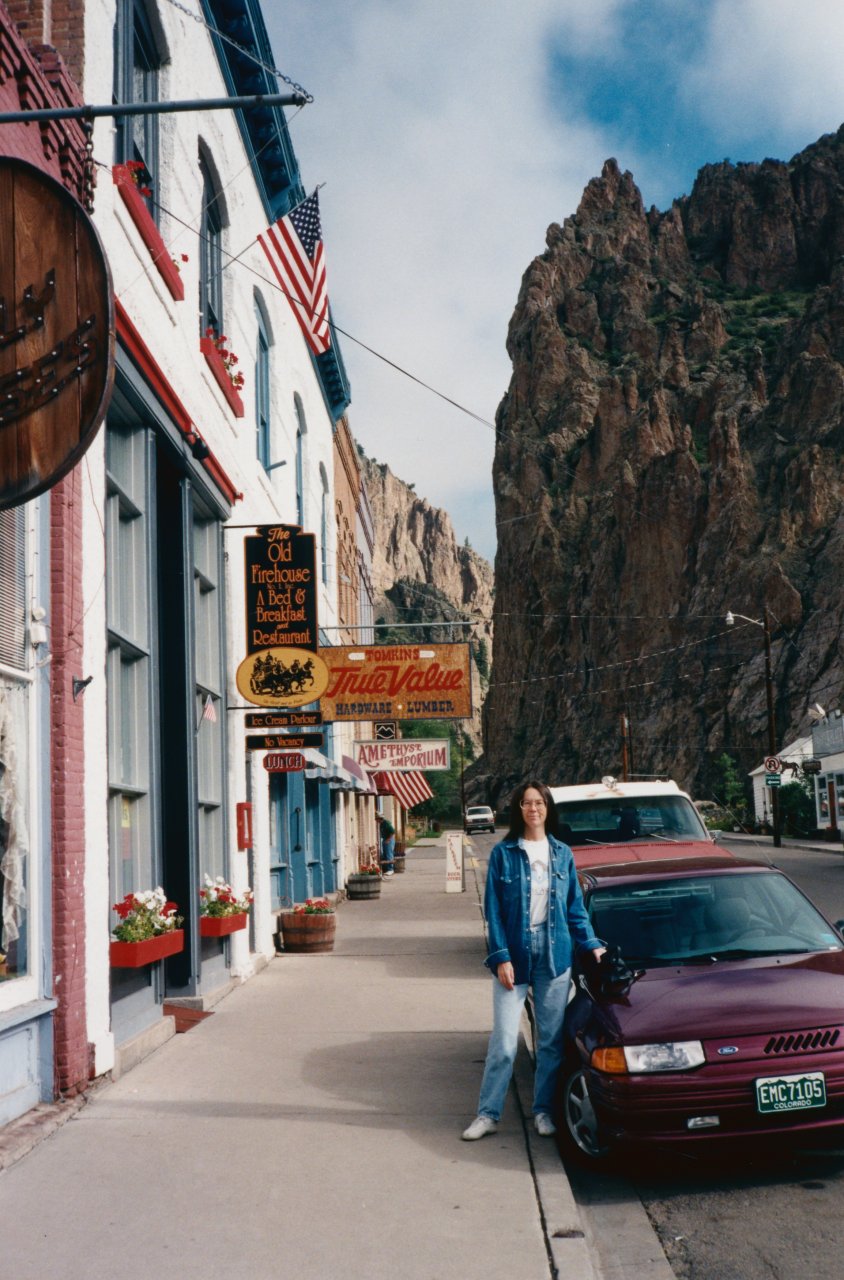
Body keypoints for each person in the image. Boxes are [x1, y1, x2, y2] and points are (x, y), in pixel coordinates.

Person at [462, 780, 605, 1141]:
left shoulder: (562, 854)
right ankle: (488, 1114)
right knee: (505, 1041)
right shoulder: (504, 853)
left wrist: (591, 944)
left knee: (550, 1043)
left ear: (547, 807)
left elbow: (575, 909)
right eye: (526, 803)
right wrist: (500, 957)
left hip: (555, 954)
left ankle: (543, 1111)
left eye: (539, 802)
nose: (533, 809)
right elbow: (493, 911)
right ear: (518, 809)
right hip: (515, 952)